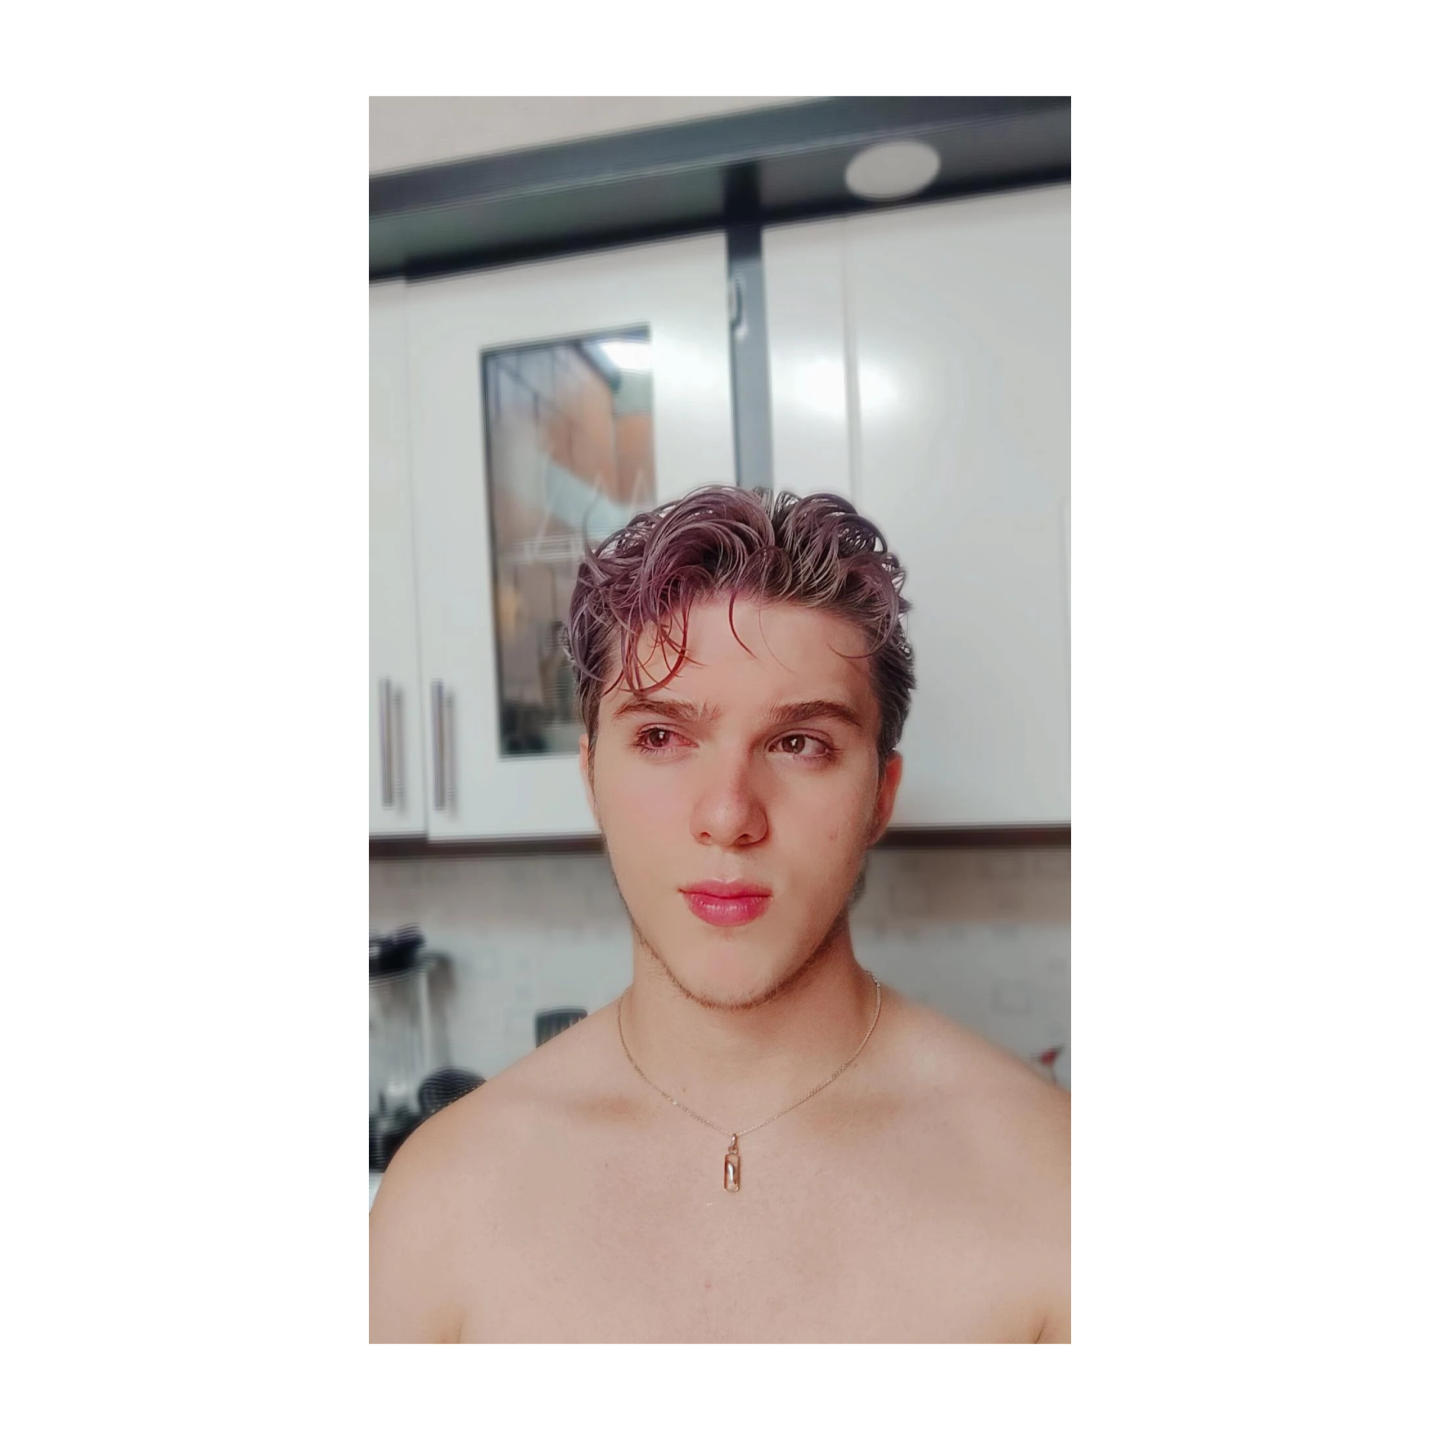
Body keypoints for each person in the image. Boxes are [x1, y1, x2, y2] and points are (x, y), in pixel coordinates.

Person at [370, 486, 1069, 1342]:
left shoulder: (1054, 1185)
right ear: (591, 777)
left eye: (799, 743)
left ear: (880, 796)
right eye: (662, 737)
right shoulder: (441, 1200)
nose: (730, 816)